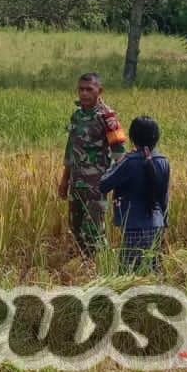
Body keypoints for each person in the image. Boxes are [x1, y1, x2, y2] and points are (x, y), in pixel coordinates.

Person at [58, 73, 127, 258]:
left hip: (96, 185)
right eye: (81, 89)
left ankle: (102, 265)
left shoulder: (107, 118)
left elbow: (119, 155)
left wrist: (118, 186)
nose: (84, 94)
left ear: (99, 91)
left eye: (89, 89)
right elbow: (71, 150)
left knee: (94, 231)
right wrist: (64, 180)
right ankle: (86, 263)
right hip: (76, 183)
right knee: (75, 227)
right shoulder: (76, 116)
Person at [99, 116, 171, 273]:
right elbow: (164, 198)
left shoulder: (129, 162)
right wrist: (164, 224)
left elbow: (103, 185)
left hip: (133, 227)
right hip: (157, 226)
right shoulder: (163, 161)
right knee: (151, 273)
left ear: (133, 138)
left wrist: (119, 161)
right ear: (156, 138)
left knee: (128, 275)